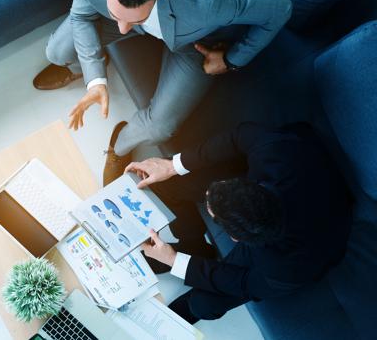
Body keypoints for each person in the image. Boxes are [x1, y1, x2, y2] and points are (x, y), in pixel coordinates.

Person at [34, 0, 293, 185]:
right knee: (57, 52)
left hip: (194, 41)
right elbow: (81, 17)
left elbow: (279, 7)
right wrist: (96, 80)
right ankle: (91, 66)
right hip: (151, 21)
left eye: (133, 19)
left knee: (160, 127)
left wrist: (232, 59)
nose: (122, 29)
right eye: (116, 15)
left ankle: (119, 144)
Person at [124, 122, 351, 323]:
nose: (206, 198)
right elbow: (239, 135)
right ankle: (195, 246)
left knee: (205, 303)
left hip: (319, 233)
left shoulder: (285, 267)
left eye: (211, 212)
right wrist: (171, 166)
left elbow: (244, 283)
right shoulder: (275, 151)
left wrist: (175, 261)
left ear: (236, 239)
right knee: (167, 183)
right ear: (251, 184)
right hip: (301, 171)